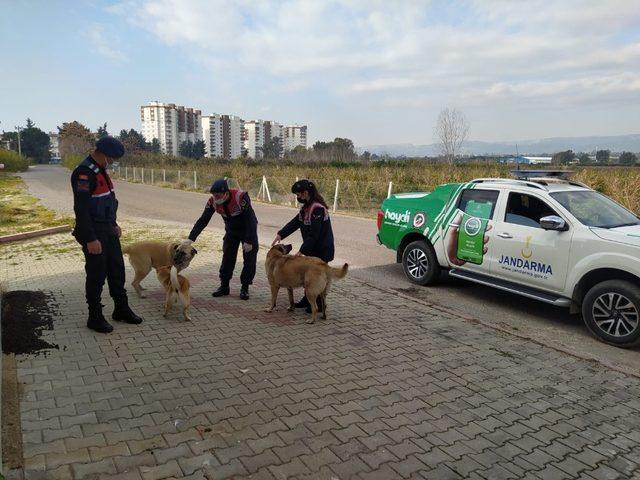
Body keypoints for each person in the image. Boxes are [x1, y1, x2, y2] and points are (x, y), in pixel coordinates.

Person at [71, 136, 143, 333]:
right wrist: (90, 239)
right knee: (96, 275)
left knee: (117, 271)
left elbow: (107, 202)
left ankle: (121, 309)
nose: (112, 162)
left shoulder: (101, 170)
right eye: (111, 158)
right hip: (94, 231)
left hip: (108, 229)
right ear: (102, 153)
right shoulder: (84, 173)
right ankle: (94, 316)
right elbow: (82, 209)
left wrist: (114, 223)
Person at [188, 178, 258, 300]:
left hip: (247, 230)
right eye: (214, 195)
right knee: (227, 257)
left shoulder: (240, 197)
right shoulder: (213, 202)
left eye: (218, 195)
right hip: (231, 231)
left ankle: (245, 288)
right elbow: (203, 220)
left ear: (226, 193)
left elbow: (251, 220)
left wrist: (249, 241)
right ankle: (224, 286)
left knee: (249, 259)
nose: (216, 197)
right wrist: (191, 238)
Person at [272, 179, 335, 311]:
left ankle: (319, 304)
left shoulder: (317, 208)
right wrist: (280, 234)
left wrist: (302, 250)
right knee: (309, 276)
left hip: (322, 250)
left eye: (298, 195)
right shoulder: (306, 207)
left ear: (305, 193)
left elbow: (314, 234)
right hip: (312, 248)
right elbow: (295, 223)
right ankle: (307, 300)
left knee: (316, 277)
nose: (298, 197)